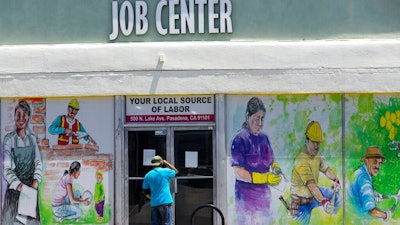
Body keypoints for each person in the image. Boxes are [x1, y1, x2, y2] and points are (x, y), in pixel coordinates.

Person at [230, 96, 282, 224]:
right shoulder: (239, 139)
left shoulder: (264, 138)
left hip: (264, 198)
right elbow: (239, 173)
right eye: (256, 118)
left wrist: (276, 167)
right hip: (246, 201)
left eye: (262, 118)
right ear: (248, 116)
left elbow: (271, 159)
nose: (260, 123)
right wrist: (264, 178)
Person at [290, 121, 341, 225]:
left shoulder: (317, 155)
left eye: (318, 142)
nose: (317, 146)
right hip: (301, 204)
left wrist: (335, 180)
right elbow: (312, 185)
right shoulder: (301, 160)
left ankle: (337, 221)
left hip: (312, 198)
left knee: (337, 197)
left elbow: (326, 169)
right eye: (314, 142)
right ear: (307, 141)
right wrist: (323, 201)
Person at [2, 100, 43, 225]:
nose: (21, 118)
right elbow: (6, 169)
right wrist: (19, 186)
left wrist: (36, 181)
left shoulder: (32, 139)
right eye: (18, 115)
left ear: (28, 117)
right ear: (14, 117)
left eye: (24, 115)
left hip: (30, 190)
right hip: (15, 191)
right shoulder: (9, 139)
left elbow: (38, 163)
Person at [348, 146, 392, 221]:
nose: (378, 166)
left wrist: (373, 194)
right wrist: (386, 215)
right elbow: (372, 210)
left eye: (379, 163)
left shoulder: (360, 172)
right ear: (366, 161)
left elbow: (361, 193)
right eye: (375, 162)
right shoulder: (364, 178)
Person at [142, 155, 179, 225]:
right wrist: (167, 163)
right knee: (167, 222)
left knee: (155, 223)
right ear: (161, 163)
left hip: (154, 202)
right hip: (165, 201)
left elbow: (145, 190)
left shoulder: (148, 175)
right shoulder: (166, 171)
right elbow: (176, 172)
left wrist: (151, 197)